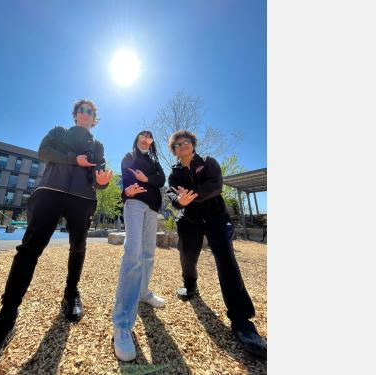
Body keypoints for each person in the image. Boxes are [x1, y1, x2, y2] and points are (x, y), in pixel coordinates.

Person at [0, 99, 113, 369]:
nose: (85, 114)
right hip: (50, 192)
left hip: (82, 198)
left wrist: (102, 183)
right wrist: (72, 160)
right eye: (82, 110)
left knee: (78, 247)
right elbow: (43, 152)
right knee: (28, 249)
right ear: (76, 115)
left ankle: (70, 293)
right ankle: (6, 316)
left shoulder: (98, 146)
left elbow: (97, 177)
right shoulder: (59, 132)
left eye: (91, 112)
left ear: (94, 119)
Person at [166, 130, 267, 359]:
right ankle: (190, 284)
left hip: (216, 218)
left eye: (186, 142)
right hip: (189, 220)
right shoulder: (173, 175)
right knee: (187, 256)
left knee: (226, 259)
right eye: (177, 144)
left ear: (193, 145)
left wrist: (190, 196)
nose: (182, 146)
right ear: (174, 151)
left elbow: (216, 186)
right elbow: (172, 196)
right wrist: (178, 201)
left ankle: (242, 321)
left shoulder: (208, 162)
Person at [112, 130, 166, 361]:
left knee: (149, 255)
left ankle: (143, 293)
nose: (145, 139)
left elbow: (161, 180)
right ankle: (122, 323)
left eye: (149, 137)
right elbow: (126, 181)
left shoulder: (154, 162)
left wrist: (147, 180)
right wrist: (128, 190)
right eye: (142, 136)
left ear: (152, 142)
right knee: (133, 255)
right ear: (136, 139)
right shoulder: (128, 156)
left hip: (153, 209)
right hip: (134, 205)